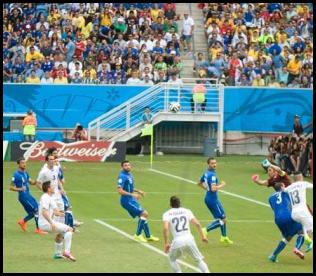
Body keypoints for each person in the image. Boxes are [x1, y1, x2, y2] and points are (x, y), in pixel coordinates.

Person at [162, 196, 210, 273]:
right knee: (199, 260)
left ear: (170, 204)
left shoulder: (167, 214)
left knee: (172, 259)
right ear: (180, 203)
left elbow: (165, 228)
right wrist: (203, 236)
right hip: (190, 240)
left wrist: (166, 243)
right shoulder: (187, 211)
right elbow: (197, 224)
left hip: (177, 241)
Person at [116, 160, 159, 242]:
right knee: (144, 213)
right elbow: (120, 191)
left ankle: (148, 235)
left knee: (142, 216)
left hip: (130, 199)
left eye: (129, 165)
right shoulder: (122, 176)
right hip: (126, 200)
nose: (128, 166)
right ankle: (138, 234)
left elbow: (130, 188)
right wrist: (132, 195)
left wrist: (138, 191)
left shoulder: (129, 175)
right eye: (125, 165)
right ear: (122, 167)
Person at [197, 157, 233, 244]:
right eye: (212, 163)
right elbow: (213, 189)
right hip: (213, 200)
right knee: (223, 219)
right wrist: (222, 185)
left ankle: (224, 237)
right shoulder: (212, 175)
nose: (214, 165)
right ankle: (205, 230)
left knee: (221, 217)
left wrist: (207, 189)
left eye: (215, 163)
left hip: (209, 198)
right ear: (208, 164)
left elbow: (198, 183)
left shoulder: (206, 173)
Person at [38, 180, 76, 261]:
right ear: (48, 189)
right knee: (69, 230)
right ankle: (67, 252)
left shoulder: (50, 198)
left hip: (47, 222)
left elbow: (56, 211)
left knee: (60, 234)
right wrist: (52, 223)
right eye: (52, 186)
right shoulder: (45, 197)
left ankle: (57, 254)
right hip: (45, 223)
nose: (54, 187)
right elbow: (44, 212)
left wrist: (63, 213)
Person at [268, 182, 305, 262]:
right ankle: (297, 248)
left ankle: (273, 256)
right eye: (284, 186)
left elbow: (274, 208)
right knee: (302, 230)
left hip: (278, 219)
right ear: (281, 187)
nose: (285, 187)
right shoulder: (286, 192)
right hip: (287, 215)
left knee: (287, 237)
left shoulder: (270, 197)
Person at [10, 158, 47, 234]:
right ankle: (38, 229)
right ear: (19, 164)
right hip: (23, 196)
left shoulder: (26, 173)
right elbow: (11, 187)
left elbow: (32, 182)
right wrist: (20, 189)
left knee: (34, 212)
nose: (24, 164)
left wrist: (39, 178)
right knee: (36, 210)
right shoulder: (16, 175)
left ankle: (22, 221)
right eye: (22, 163)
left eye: (25, 162)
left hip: (28, 195)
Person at [282, 173, 313, 252]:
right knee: (311, 227)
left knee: (304, 225)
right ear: (300, 177)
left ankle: (307, 239)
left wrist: (283, 187)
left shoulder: (290, 187)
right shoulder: (303, 183)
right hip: (303, 211)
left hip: (294, 214)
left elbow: (284, 190)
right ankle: (309, 242)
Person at [37, 154, 65, 224]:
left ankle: (60, 228)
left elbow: (57, 179)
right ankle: (53, 226)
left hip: (58, 194)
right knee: (53, 213)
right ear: (46, 161)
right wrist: (46, 192)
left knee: (61, 211)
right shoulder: (43, 172)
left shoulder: (56, 168)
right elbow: (38, 183)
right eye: (51, 159)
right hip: (51, 196)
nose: (52, 161)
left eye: (53, 159)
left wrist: (62, 189)